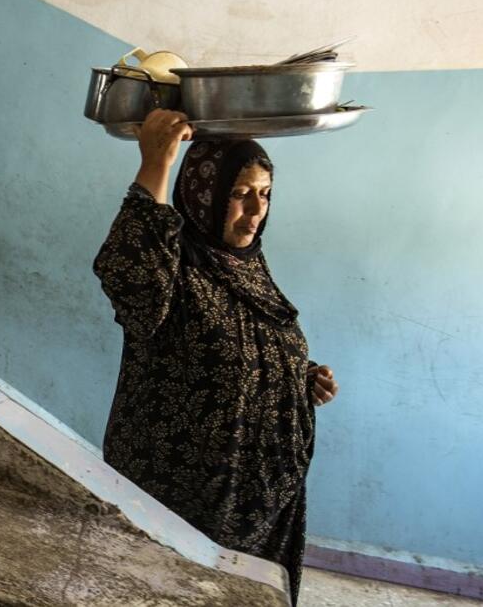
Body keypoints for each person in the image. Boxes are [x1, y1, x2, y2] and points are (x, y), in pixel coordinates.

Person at [93, 109, 339, 605]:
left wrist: (298, 376)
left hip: (262, 507)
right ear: (204, 194)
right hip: (185, 500)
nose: (256, 209)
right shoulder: (172, 265)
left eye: (265, 193)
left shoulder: (246, 265)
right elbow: (130, 274)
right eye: (239, 192)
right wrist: (156, 164)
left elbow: (238, 341)